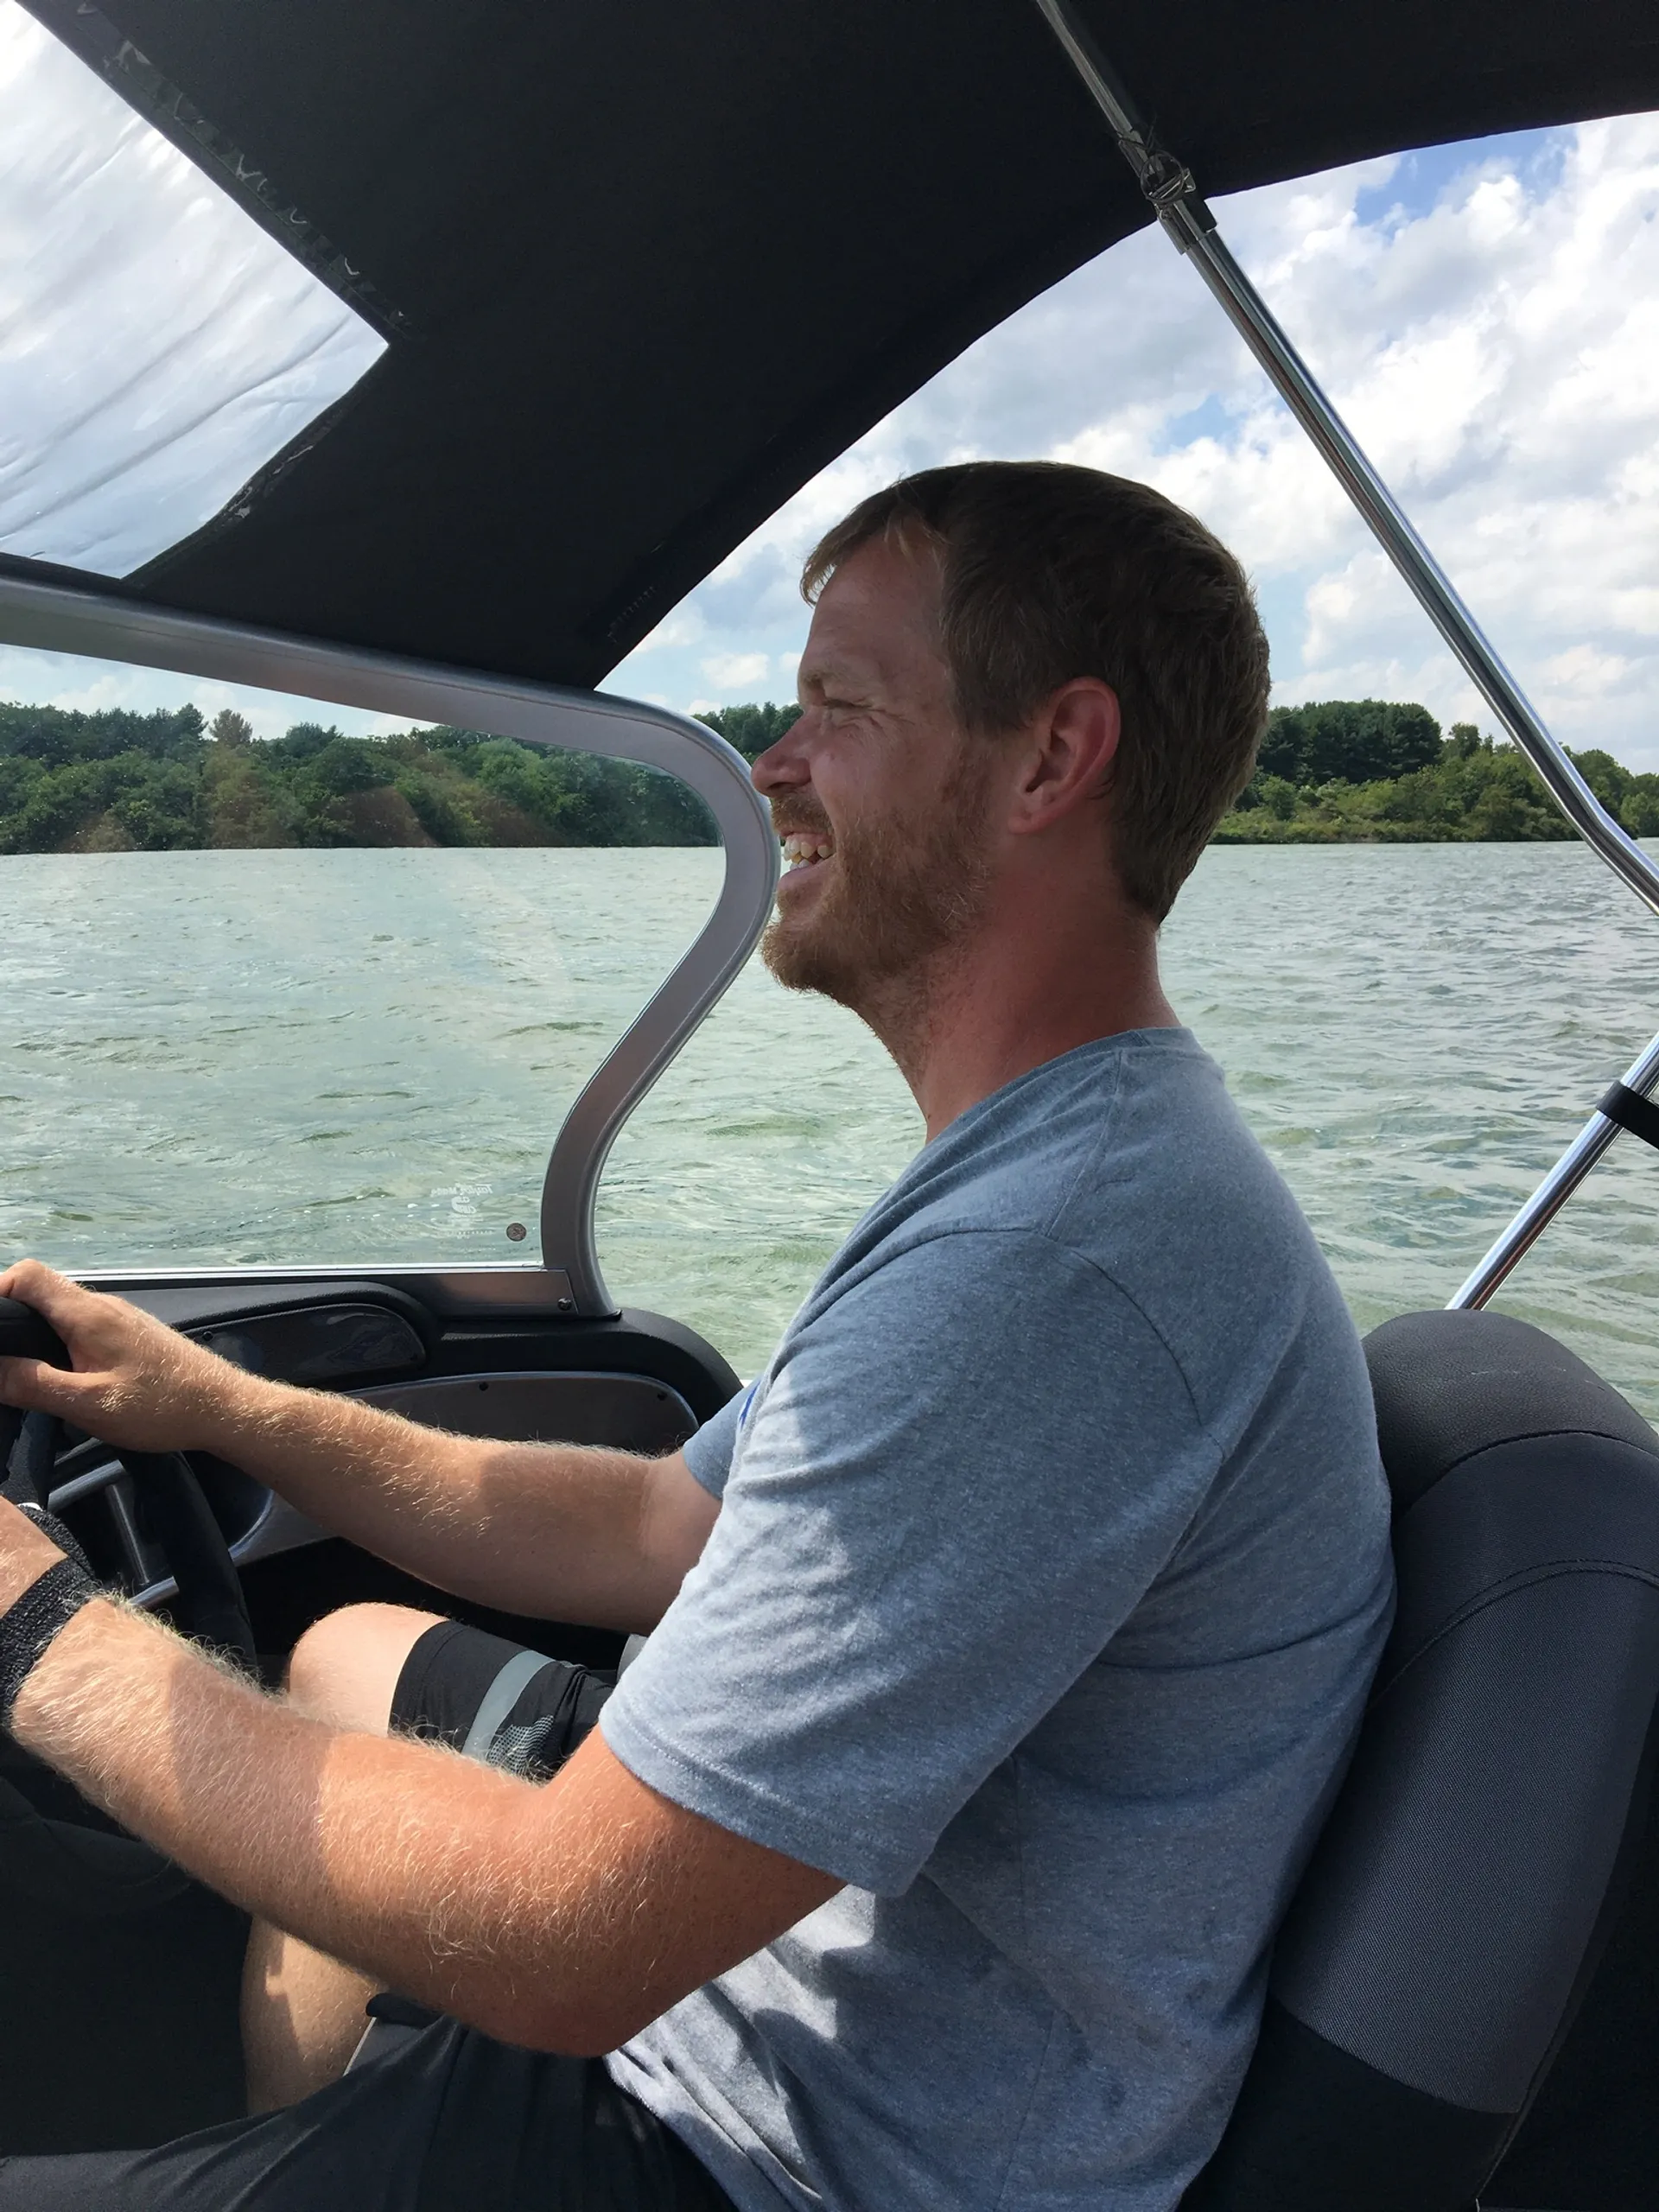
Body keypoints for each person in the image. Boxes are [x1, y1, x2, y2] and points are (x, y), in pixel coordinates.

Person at [0, 461, 1394, 2211]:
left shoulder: (1063, 1263)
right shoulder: (1050, 1166)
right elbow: (664, 1523)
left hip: (788, 2149)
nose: (772, 766)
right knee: (347, 1650)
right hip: (768, 1981)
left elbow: (564, 1944)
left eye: (839, 708)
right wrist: (223, 1403)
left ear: (1052, 758)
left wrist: (35, 1627)